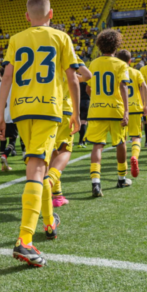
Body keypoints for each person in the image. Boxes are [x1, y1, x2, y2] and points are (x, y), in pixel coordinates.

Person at [0, 0, 80, 268]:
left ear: (26, 16)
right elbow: (72, 78)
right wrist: (78, 113)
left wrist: (0, 114)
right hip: (48, 108)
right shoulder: (61, 38)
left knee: (39, 167)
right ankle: (24, 240)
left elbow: (6, 77)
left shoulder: (16, 39)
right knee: (36, 168)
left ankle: (47, 223)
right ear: (51, 14)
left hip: (20, 110)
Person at [49, 56, 91, 207]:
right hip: (65, 110)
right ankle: (50, 180)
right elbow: (87, 75)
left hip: (46, 109)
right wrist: (72, 76)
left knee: (53, 151)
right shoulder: (67, 52)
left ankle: (57, 195)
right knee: (65, 150)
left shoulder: (41, 52)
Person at [116, 49, 147, 179]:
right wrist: (145, 105)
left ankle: (122, 169)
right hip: (135, 108)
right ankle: (134, 156)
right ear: (130, 61)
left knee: (121, 139)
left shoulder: (116, 71)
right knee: (136, 137)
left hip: (120, 108)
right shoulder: (136, 72)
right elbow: (144, 86)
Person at [77, 80, 90, 148]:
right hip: (86, 102)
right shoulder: (87, 81)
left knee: (79, 122)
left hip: (78, 102)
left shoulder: (77, 81)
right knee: (84, 122)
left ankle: (83, 140)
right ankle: (81, 141)